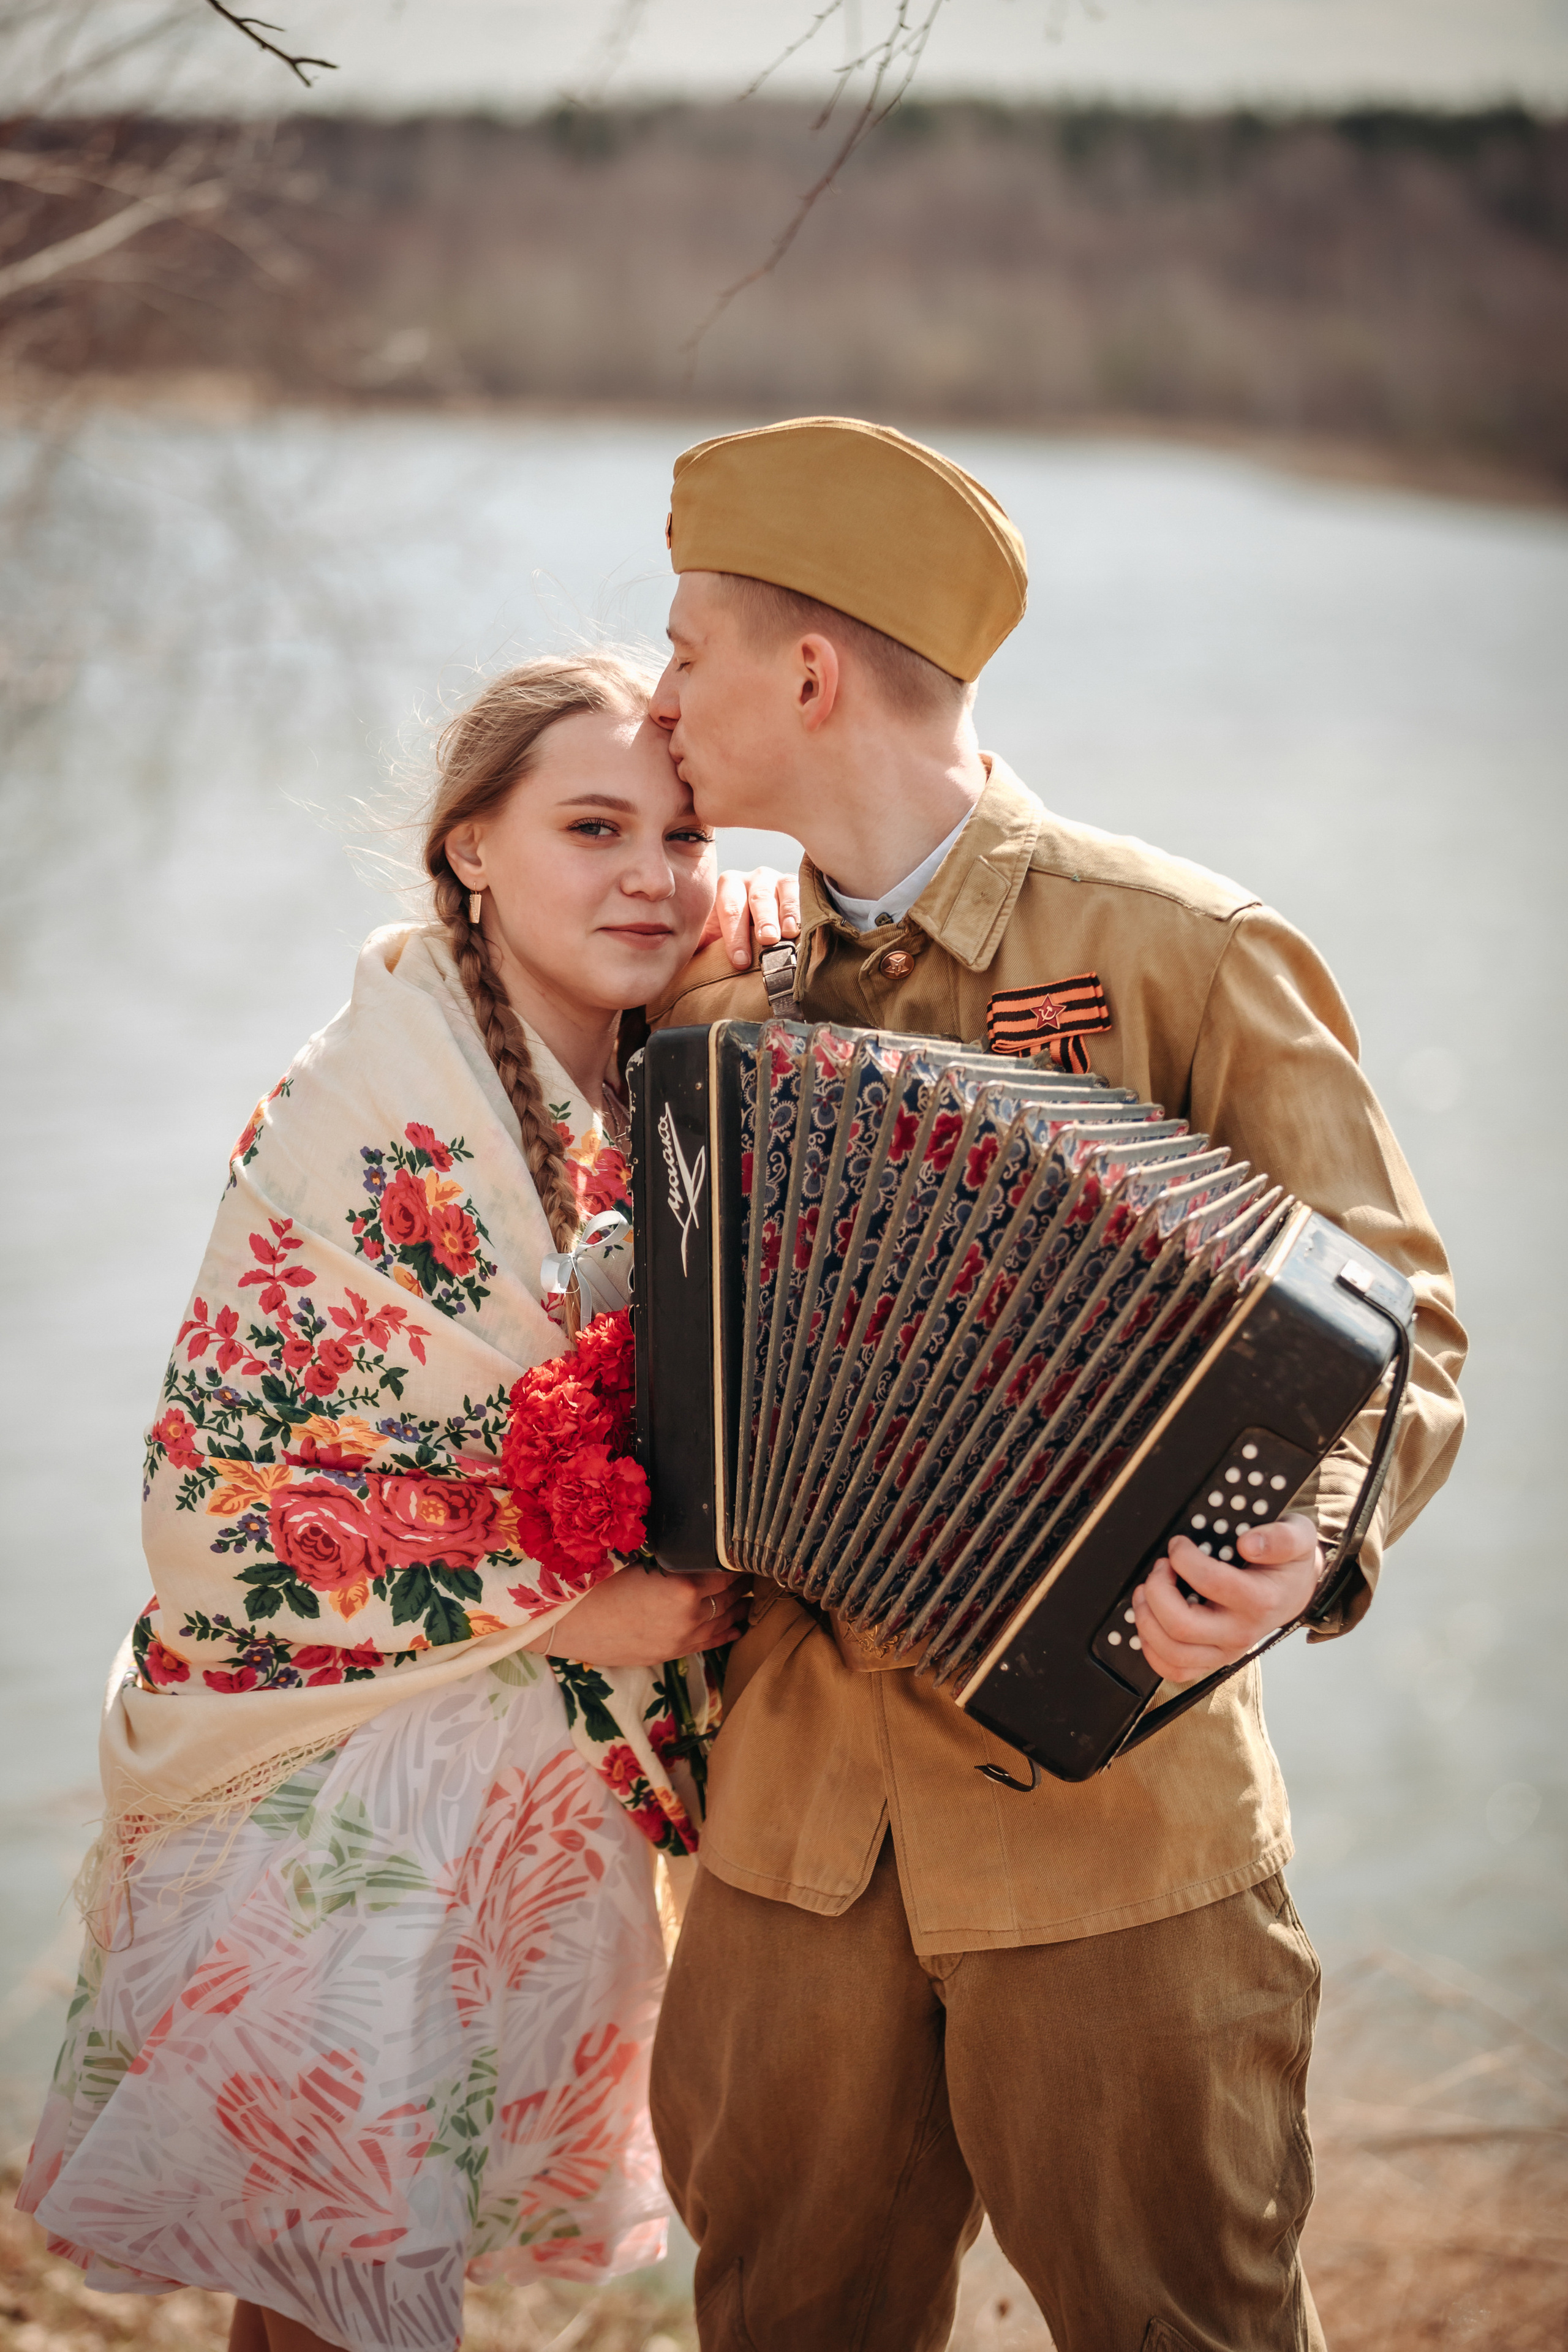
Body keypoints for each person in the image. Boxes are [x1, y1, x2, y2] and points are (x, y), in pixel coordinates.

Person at [642, 419, 1468, 2352]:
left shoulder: (1182, 949)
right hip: (791, 1850)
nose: (661, 695)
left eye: (690, 649)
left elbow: (1402, 1323)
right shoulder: (715, 1001)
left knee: (1186, 2330)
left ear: (811, 675)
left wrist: (1317, 1545)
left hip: (1119, 1836)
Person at [17, 650, 794, 2352]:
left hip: (554, 1787)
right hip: (361, 1771)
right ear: (470, 848)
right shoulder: (363, 1102)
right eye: (593, 827)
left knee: (401, 2273)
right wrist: (574, 1601)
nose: (649, 876)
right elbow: (225, 1492)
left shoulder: (664, 1089)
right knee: (336, 2281)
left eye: (683, 834)